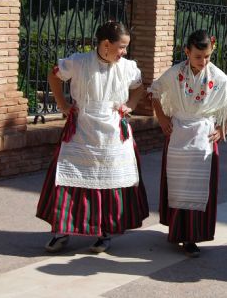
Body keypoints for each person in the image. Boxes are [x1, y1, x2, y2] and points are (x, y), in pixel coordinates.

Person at [36, 21, 149, 254]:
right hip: (82, 130)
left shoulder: (128, 67)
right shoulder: (78, 62)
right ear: (106, 44)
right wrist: (62, 104)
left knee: (109, 183)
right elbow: (54, 75)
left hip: (113, 134)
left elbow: (139, 87)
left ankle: (104, 233)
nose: (125, 52)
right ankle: (61, 231)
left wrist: (131, 104)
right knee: (69, 180)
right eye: (121, 46)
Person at [150, 29, 227, 257]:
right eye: (198, 57)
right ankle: (176, 229)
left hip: (204, 136)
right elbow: (154, 91)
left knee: (198, 187)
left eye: (208, 57)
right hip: (178, 133)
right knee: (178, 184)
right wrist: (162, 117)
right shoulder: (174, 73)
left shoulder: (217, 77)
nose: (203, 62)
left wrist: (223, 127)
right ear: (187, 52)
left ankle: (192, 236)